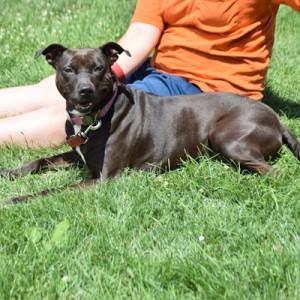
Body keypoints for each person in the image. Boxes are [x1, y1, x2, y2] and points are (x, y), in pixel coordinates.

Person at [0, 0, 299, 148]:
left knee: (77, 119)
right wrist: (104, 78)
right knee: (56, 89)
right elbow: (142, 34)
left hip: (208, 91)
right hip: (161, 67)